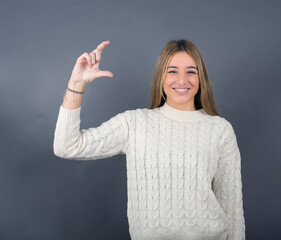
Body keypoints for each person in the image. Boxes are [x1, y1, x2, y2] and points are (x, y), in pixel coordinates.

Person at [53, 39, 245, 240]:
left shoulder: (219, 129)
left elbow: (231, 208)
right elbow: (66, 146)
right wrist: (76, 83)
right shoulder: (134, 123)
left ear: (201, 78)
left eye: (191, 71)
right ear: (160, 77)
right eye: (172, 71)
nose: (182, 80)